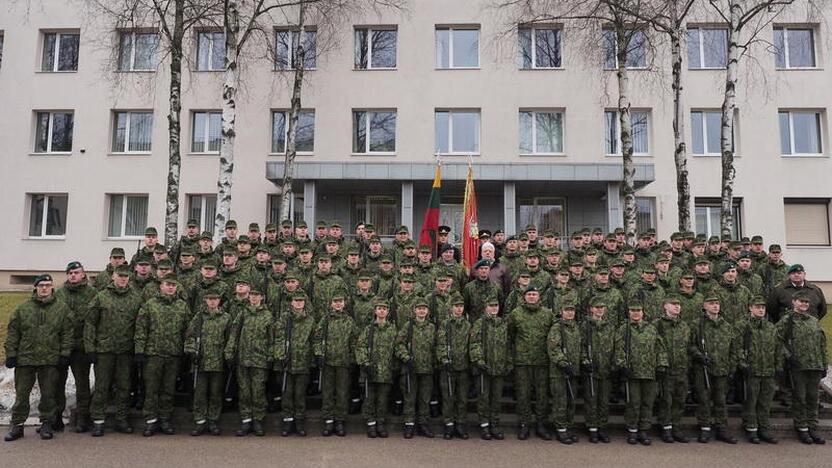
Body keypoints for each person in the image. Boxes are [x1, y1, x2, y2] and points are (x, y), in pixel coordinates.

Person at [4, 275, 73, 442]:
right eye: (41, 285)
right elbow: (13, 333)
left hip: (50, 359)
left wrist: (64, 353)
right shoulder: (23, 309)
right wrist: (11, 354)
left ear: (52, 288)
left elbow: (67, 333)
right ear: (35, 287)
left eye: (48, 285)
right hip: (25, 359)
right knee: (21, 395)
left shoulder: (61, 309)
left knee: (49, 394)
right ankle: (17, 425)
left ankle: (46, 424)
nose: (44, 288)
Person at [85, 265, 144, 437]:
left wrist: (138, 348)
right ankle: (98, 421)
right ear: (113, 277)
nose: (123, 279)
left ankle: (121, 419)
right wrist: (90, 348)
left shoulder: (136, 298)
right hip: (104, 350)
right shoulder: (101, 297)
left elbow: (140, 325)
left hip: (126, 351)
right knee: (102, 387)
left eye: (126, 276)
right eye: (120, 276)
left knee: (124, 387)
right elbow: (90, 324)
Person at [134, 275, 191, 437]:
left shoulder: (182, 306)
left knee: (168, 389)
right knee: (151, 389)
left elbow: (189, 331)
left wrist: (187, 349)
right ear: (161, 286)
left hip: (173, 354)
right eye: (167, 284)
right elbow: (141, 329)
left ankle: (165, 419)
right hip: (154, 354)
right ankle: (151, 421)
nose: (171, 287)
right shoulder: (150, 305)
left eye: (173, 285)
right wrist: (139, 350)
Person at [777, 291, 828, 444]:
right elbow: (777, 340)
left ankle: (812, 427)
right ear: (794, 302)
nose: (804, 304)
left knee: (813, 398)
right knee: (800, 398)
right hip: (798, 365)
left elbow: (821, 344)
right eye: (801, 302)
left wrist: (824, 364)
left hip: (815, 365)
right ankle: (802, 427)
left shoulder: (813, 321)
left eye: (806, 302)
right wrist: (788, 356)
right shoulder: (787, 320)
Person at [53, 261, 98, 433]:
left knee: (82, 384)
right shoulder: (59, 294)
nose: (73, 275)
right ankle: (56, 417)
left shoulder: (92, 293)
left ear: (83, 274)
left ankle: (82, 417)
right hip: (61, 347)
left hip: (81, 347)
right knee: (58, 384)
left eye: (76, 272)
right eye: (70, 273)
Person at [689, 296, 740, 444]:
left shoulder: (726, 325)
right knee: (704, 400)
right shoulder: (697, 324)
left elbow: (733, 348)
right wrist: (699, 356)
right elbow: (690, 345)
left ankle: (722, 429)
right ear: (704, 306)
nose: (715, 306)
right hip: (703, 368)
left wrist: (732, 366)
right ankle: (705, 428)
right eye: (711, 304)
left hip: (722, 368)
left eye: (717, 303)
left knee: (721, 400)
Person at [616, 303, 668, 445]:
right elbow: (618, 348)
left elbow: (660, 348)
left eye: (638, 310)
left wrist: (661, 365)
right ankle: (632, 430)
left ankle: (643, 430)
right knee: (633, 403)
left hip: (649, 372)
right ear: (629, 312)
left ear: (643, 312)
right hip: (632, 372)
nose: (636, 313)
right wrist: (622, 365)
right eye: (633, 310)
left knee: (647, 402)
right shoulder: (624, 329)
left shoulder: (651, 329)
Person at [508, 286, 554, 440]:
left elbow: (553, 336)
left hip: (542, 361)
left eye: (535, 294)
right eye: (529, 294)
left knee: (542, 395)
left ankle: (541, 424)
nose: (532, 297)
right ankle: (524, 424)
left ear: (539, 297)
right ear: (524, 297)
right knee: (523, 394)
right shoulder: (516, 314)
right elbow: (510, 335)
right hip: (522, 361)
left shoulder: (547, 314)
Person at [736, 296, 782, 444]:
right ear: (750, 308)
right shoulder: (742, 325)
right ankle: (751, 428)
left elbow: (777, 347)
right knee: (751, 400)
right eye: (757, 307)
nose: (761, 309)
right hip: (752, 369)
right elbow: (737, 346)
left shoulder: (770, 327)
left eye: (763, 307)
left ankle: (764, 428)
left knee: (765, 401)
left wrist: (778, 365)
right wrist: (743, 364)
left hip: (768, 370)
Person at [185, 292, 232, 436]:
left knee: (215, 393)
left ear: (219, 301)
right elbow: (190, 336)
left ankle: (213, 420)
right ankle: (200, 421)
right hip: (201, 361)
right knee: (199, 393)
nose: (212, 302)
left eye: (215, 299)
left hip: (218, 362)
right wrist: (192, 352)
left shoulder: (226, 318)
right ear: (205, 300)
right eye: (210, 299)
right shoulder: (199, 317)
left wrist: (228, 356)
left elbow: (230, 338)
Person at [272, 292, 314, 437]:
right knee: (287, 394)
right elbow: (278, 338)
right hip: (287, 363)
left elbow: (313, 340)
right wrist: (280, 355)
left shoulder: (310, 320)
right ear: (291, 302)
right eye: (296, 300)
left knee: (300, 395)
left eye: (301, 301)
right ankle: (288, 422)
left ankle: (299, 422)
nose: (298, 303)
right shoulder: (284, 318)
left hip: (303, 362)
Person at [469, 298, 511, 441]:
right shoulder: (479, 323)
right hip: (484, 368)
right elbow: (474, 344)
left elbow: (508, 344)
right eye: (491, 306)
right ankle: (484, 425)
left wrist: (508, 363)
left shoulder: (502, 323)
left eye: (496, 305)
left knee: (496, 398)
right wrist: (479, 361)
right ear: (485, 307)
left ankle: (494, 424)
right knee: (483, 398)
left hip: (499, 367)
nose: (494, 308)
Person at [315, 295, 356, 437]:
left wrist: (351, 359)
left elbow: (353, 342)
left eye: (340, 302)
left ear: (344, 304)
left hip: (343, 363)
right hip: (328, 362)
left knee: (342, 393)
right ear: (331, 304)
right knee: (327, 393)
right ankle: (328, 420)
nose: (338, 304)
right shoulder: (325, 320)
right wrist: (319, 354)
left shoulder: (349, 321)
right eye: (335, 302)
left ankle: (340, 421)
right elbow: (317, 338)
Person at [356, 300, 399, 438]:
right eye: (379, 308)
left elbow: (397, 348)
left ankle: (380, 424)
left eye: (384, 309)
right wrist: (365, 363)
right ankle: (371, 424)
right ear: (375, 311)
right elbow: (360, 347)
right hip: (371, 370)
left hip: (386, 371)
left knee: (382, 400)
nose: (381, 311)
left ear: (388, 312)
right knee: (369, 399)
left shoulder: (392, 329)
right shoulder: (368, 329)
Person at [396, 300, 437, 439]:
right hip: (410, 369)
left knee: (424, 398)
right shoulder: (408, 326)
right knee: (410, 397)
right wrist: (406, 358)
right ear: (414, 311)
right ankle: (409, 424)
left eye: (424, 309)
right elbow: (399, 344)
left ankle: (423, 424)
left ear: (427, 311)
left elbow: (437, 346)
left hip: (427, 368)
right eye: (419, 308)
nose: (421, 311)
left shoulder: (432, 327)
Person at [655, 296, 692, 443]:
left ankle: (676, 426)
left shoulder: (684, 326)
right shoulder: (658, 324)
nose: (677, 307)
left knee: (680, 399)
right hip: (666, 368)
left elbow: (689, 346)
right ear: (665, 306)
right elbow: (655, 346)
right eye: (673, 304)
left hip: (681, 368)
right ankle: (666, 427)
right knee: (666, 400)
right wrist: (661, 363)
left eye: (678, 304)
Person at [436, 294, 472, 439]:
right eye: (456, 306)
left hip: (463, 367)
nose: (459, 309)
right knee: (448, 398)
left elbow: (472, 344)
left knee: (462, 398)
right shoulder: (445, 324)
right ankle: (449, 425)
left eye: (461, 307)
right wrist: (444, 359)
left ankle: (460, 424)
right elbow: (440, 343)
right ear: (451, 308)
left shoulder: (468, 325)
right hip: (448, 367)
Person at [582, 299, 616, 443]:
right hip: (591, 369)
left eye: (602, 307)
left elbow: (616, 345)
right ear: (591, 309)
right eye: (597, 307)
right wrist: (585, 361)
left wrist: (615, 364)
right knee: (591, 399)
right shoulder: (585, 326)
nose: (600, 309)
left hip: (606, 368)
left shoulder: (610, 326)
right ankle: (592, 428)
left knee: (603, 400)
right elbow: (580, 344)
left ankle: (602, 426)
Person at [548, 303, 582, 444]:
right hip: (559, 371)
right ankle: (561, 429)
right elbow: (553, 348)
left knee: (570, 400)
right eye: (567, 310)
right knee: (560, 401)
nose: (569, 313)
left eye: (572, 310)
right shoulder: (557, 328)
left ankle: (568, 426)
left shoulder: (576, 328)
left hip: (573, 370)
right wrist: (562, 362)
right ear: (561, 312)